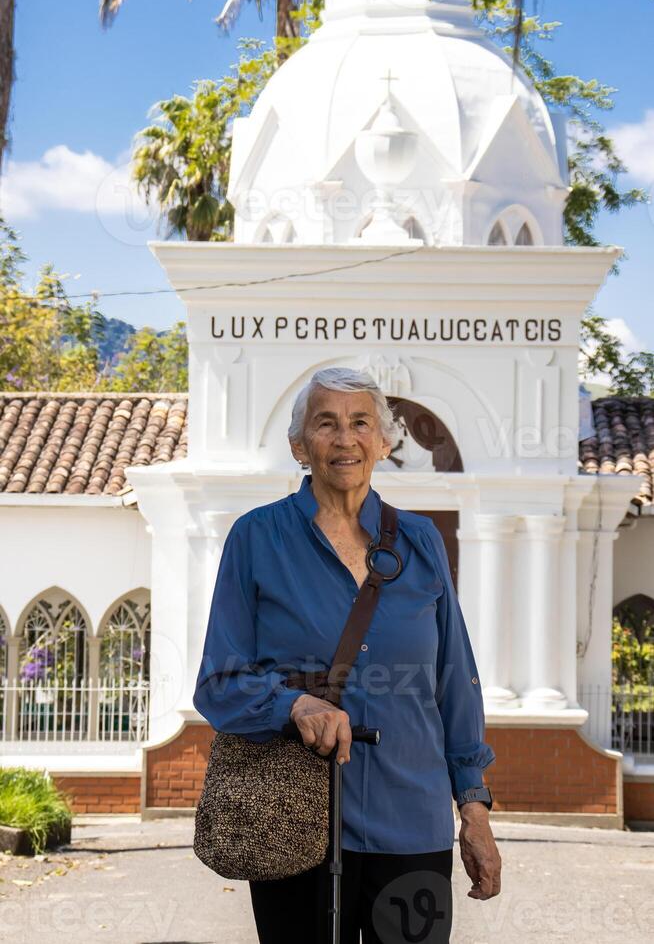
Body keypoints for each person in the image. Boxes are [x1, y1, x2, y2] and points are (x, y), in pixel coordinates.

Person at [193, 367, 501, 944]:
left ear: (384, 442)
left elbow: (455, 679)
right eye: (325, 423)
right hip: (295, 822)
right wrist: (292, 705)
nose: (344, 438)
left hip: (411, 819)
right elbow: (218, 682)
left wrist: (474, 809)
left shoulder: (420, 541)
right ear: (299, 444)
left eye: (361, 423)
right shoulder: (256, 538)